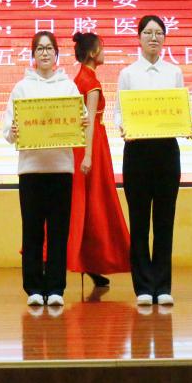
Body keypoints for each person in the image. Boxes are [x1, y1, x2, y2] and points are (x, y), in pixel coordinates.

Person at [4, 31, 84, 308]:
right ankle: (34, 288)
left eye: (49, 48)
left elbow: (81, 119)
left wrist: (81, 123)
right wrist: (14, 130)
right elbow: (8, 130)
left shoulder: (68, 87)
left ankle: (56, 287)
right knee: (33, 231)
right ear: (33, 55)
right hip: (31, 170)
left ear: (57, 54)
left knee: (59, 231)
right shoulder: (21, 88)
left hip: (61, 169)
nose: (45, 53)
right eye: (40, 49)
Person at [117, 15, 187, 307]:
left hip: (166, 152)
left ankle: (163, 285)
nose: (153, 37)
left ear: (165, 38)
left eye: (159, 33)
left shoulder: (174, 72)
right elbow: (119, 112)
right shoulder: (128, 74)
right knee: (139, 221)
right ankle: (143, 287)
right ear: (139, 37)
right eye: (148, 32)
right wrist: (124, 127)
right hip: (137, 152)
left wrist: (186, 123)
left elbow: (180, 108)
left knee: (164, 221)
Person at [68, 32, 131, 289]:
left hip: (81, 145)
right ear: (93, 53)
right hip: (92, 146)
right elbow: (91, 121)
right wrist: (89, 156)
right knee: (96, 203)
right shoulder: (91, 82)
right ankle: (92, 262)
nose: (104, 52)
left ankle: (89, 263)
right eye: (101, 48)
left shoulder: (78, 78)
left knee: (87, 205)